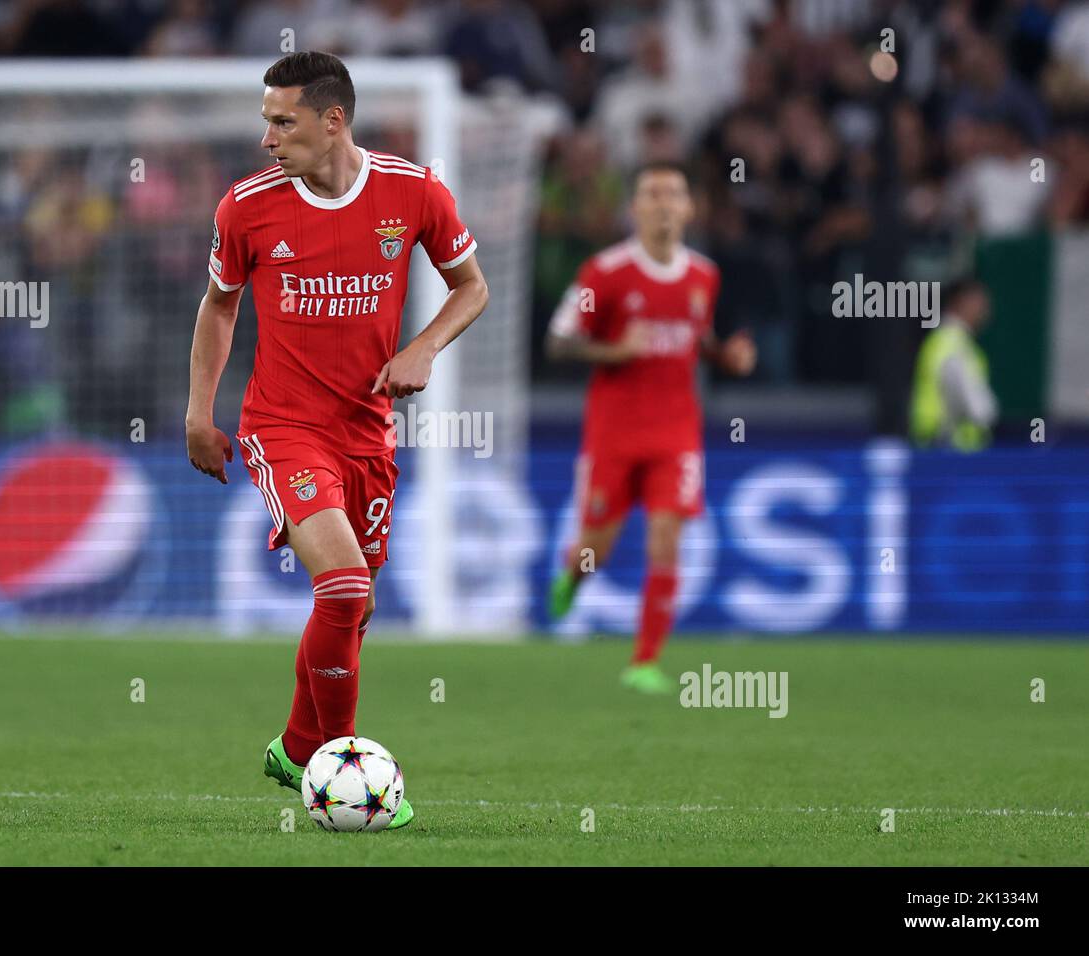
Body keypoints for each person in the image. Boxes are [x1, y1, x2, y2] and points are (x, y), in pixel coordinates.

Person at [185, 52, 488, 828]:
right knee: (345, 588)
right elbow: (220, 307)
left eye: (281, 122)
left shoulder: (412, 190)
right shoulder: (246, 207)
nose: (267, 138)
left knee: (355, 608)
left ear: (333, 120)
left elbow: (472, 286)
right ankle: (345, 771)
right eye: (265, 121)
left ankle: (294, 747)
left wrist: (422, 348)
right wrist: (198, 411)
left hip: (367, 432)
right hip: (283, 427)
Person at [544, 162, 755, 693]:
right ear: (634, 208)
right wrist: (615, 350)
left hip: (677, 433)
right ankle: (571, 578)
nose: (663, 202)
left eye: (674, 194)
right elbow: (560, 340)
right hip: (613, 433)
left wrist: (725, 357)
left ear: (689, 208)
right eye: (651, 194)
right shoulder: (605, 272)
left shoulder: (704, 275)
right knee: (599, 547)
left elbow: (695, 339)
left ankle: (644, 662)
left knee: (667, 538)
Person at [910, 278, 996, 451]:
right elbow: (978, 408)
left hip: (935, 445)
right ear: (962, 303)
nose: (986, 311)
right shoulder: (954, 345)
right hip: (952, 448)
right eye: (980, 303)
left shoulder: (940, 341)